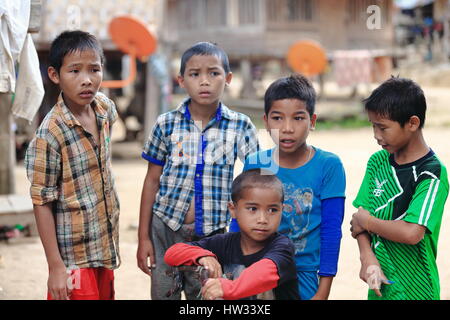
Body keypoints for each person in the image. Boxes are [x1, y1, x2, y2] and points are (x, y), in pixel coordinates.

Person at [137, 42, 259, 300]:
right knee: (164, 295)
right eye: (195, 74)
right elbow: (151, 180)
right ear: (181, 80)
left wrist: (242, 234)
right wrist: (143, 237)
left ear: (227, 79)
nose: (204, 81)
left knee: (205, 296)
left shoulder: (241, 126)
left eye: (213, 73)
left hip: (212, 234)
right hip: (165, 229)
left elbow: (255, 182)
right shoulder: (166, 124)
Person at [24, 30, 120, 300]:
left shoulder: (104, 109)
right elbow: (42, 202)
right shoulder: (50, 135)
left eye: (94, 69)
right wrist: (55, 266)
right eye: (75, 71)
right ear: (55, 75)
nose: (87, 80)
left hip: (103, 245)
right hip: (73, 256)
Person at [242, 74, 346, 300]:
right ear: (266, 121)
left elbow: (331, 231)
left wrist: (324, 289)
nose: (287, 128)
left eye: (298, 118)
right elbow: (240, 220)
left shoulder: (328, 165)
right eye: (277, 118)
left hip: (304, 276)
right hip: (257, 272)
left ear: (313, 121)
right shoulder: (257, 163)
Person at [350, 77, 449, 300]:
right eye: (373, 126)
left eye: (383, 127)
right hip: (380, 285)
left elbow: (412, 232)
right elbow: (360, 220)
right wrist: (367, 258)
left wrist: (368, 222)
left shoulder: (432, 173)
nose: (376, 135)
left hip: (416, 290)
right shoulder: (377, 162)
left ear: (412, 123)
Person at [164, 169, 300, 300]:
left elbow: (265, 271)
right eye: (253, 209)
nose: (263, 219)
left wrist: (229, 288)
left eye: (272, 210)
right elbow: (172, 253)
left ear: (282, 210)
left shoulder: (283, 246)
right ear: (233, 210)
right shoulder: (224, 243)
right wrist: (202, 256)